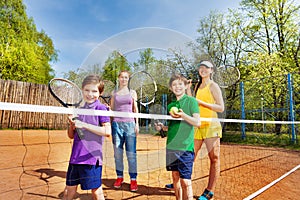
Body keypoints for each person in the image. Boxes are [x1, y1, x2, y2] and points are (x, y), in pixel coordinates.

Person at [165, 60, 224, 200]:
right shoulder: (197, 85)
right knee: (190, 156)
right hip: (197, 126)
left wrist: (202, 103)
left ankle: (209, 191)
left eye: (206, 68)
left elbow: (221, 108)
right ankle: (178, 181)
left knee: (214, 158)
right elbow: (191, 102)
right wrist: (189, 89)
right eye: (201, 67)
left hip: (211, 125)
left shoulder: (213, 86)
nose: (203, 69)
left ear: (211, 71)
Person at [62, 75, 111, 200]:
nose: (90, 94)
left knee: (97, 192)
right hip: (75, 158)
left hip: (91, 159)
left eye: (94, 91)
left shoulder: (101, 108)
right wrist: (72, 125)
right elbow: (71, 136)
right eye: (87, 90)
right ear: (82, 90)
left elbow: (107, 131)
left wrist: (84, 125)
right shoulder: (79, 110)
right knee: (69, 191)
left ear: (100, 93)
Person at [155, 73, 200, 200]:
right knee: (175, 176)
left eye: (180, 84)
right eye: (174, 84)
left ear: (186, 86)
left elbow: (197, 122)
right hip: (171, 147)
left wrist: (183, 115)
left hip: (185, 147)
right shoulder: (171, 106)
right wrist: (162, 128)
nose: (177, 87)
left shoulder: (191, 101)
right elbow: (173, 127)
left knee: (185, 181)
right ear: (171, 88)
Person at [110, 70, 139, 192]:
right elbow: (111, 110)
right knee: (118, 154)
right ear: (118, 78)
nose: (123, 79)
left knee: (131, 154)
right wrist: (110, 125)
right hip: (116, 125)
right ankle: (119, 177)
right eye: (122, 77)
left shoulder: (132, 92)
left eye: (126, 77)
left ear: (128, 79)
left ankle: (133, 179)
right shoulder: (114, 93)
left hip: (130, 125)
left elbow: (135, 109)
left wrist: (137, 124)